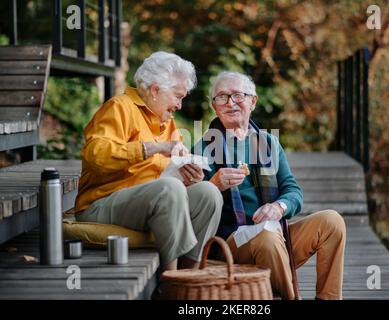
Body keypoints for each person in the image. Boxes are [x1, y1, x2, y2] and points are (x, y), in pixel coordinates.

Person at [194, 71, 346, 300]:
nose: (230, 103)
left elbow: (293, 191)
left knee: (331, 222)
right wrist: (214, 184)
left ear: (252, 102)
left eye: (237, 95)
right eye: (222, 97)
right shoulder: (204, 147)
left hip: (276, 234)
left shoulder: (268, 143)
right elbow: (194, 202)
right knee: (266, 239)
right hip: (231, 243)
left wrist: (279, 207)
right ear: (214, 106)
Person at [74, 51, 223, 272]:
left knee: (208, 193)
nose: (180, 105)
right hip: (102, 202)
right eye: (178, 96)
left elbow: (169, 178)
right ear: (155, 90)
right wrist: (154, 148)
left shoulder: (167, 122)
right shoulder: (119, 107)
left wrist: (188, 177)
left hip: (152, 204)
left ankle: (190, 276)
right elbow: (96, 155)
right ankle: (171, 280)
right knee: (169, 189)